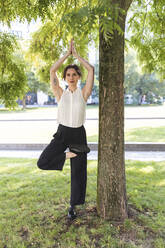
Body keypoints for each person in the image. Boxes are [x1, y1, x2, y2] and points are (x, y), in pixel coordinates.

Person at [37, 39, 94, 220]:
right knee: (43, 161)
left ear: (78, 77)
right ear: (65, 78)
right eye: (68, 74)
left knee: (78, 174)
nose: (71, 77)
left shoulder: (83, 93)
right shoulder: (59, 93)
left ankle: (72, 206)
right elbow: (52, 70)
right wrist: (66, 55)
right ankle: (67, 155)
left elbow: (91, 69)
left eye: (74, 74)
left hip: (78, 134)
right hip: (62, 134)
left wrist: (76, 55)